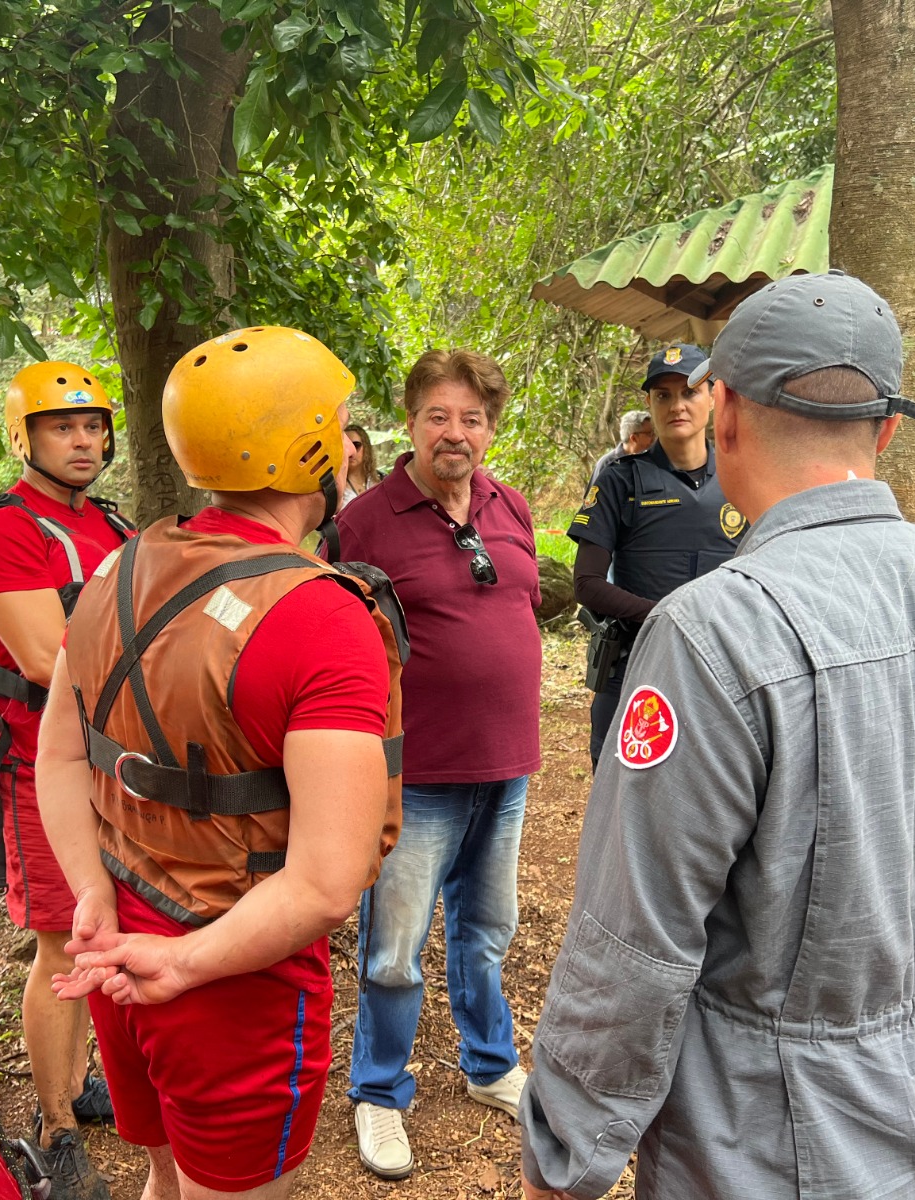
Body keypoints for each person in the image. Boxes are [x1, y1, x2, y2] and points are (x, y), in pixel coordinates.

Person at [520, 272, 915, 1200]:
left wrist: (565, 1155)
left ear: (723, 410)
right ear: (888, 430)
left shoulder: (715, 631)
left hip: (754, 1138)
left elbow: (635, 939)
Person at [34, 325, 406, 1200]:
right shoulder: (321, 616)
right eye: (341, 423)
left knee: (167, 1176)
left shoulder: (118, 567)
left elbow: (60, 751)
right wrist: (186, 965)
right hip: (231, 974)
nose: (350, 442)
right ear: (310, 447)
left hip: (119, 935)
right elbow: (324, 882)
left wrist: (93, 890)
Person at [335, 349, 542, 1181]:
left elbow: (518, 607)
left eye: (472, 418)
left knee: (487, 931)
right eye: (439, 416)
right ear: (410, 422)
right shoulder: (365, 523)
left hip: (507, 766)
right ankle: (378, 1092)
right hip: (414, 775)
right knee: (393, 945)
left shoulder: (510, 505)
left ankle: (490, 1064)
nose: (456, 432)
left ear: (489, 429)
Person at [0, 361, 136, 1200]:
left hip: (116, 765)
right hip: (39, 766)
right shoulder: (5, 532)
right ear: (24, 437)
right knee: (62, 939)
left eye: (93, 425)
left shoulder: (108, 522)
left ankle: (89, 1081)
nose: (84, 440)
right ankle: (55, 1125)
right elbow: (43, 657)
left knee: (111, 925)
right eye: (64, 427)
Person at [567, 344, 745, 764]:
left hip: (723, 668)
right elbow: (587, 584)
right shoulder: (619, 480)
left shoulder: (742, 473)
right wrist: (667, 617)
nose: (676, 405)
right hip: (637, 667)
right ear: (649, 404)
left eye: (689, 392)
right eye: (663, 395)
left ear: (713, 397)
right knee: (624, 804)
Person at [586, 409, 653, 487]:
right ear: (634, 438)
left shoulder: (649, 459)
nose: (654, 438)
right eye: (649, 434)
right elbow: (594, 496)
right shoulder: (608, 464)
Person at [342, 422, 383, 507]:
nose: (351, 451)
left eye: (356, 445)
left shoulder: (381, 479)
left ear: (366, 448)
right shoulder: (335, 488)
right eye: (345, 447)